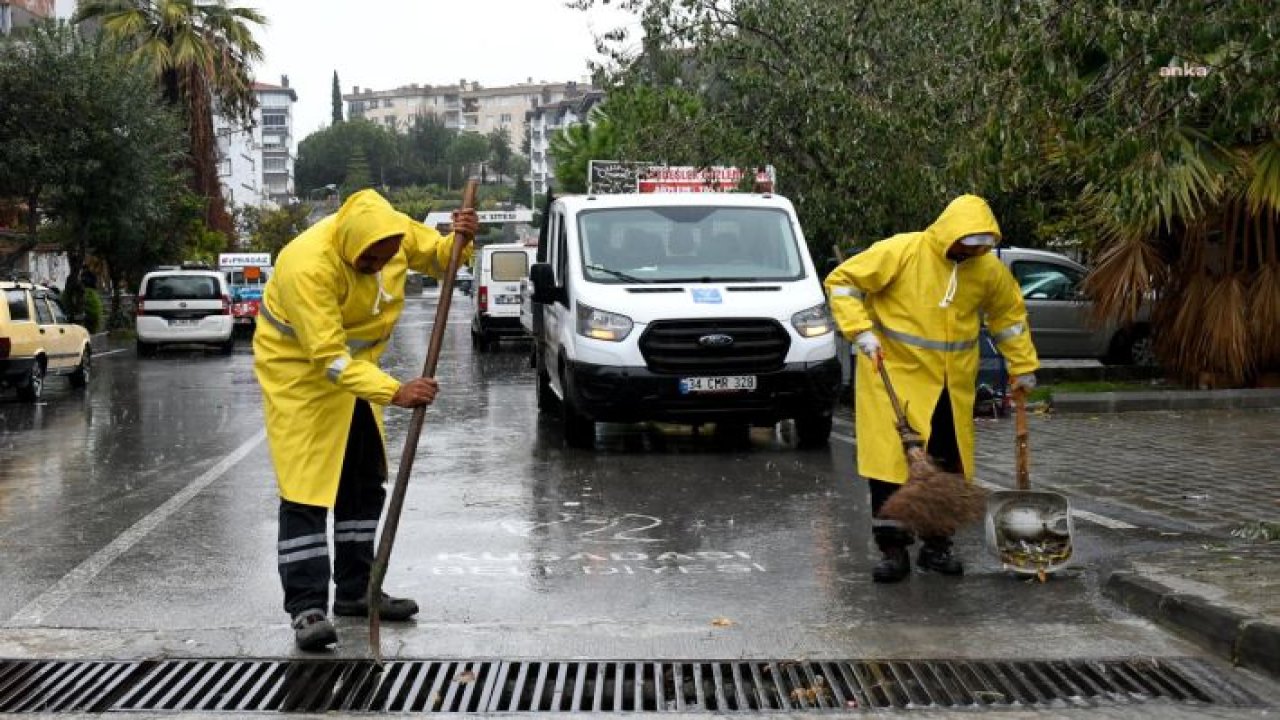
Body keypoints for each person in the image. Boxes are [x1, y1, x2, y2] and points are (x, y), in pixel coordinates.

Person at [253, 189, 477, 650]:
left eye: (386, 256)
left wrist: (460, 239)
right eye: (369, 260)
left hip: (360, 376)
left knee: (362, 482)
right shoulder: (306, 265)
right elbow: (329, 358)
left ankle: (356, 592)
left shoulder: (390, 231)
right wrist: (395, 391)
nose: (380, 264)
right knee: (306, 491)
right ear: (349, 247)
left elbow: (438, 258)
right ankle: (306, 608)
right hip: (301, 376)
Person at [824, 194, 1038, 583]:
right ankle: (893, 551)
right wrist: (861, 331)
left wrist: (1022, 366)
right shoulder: (902, 251)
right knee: (891, 471)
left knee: (946, 467)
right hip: (893, 376)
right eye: (966, 244)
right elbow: (842, 283)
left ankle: (937, 547)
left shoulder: (986, 269)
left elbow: (1009, 317)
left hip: (951, 387)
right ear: (948, 234)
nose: (971, 253)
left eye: (980, 246)